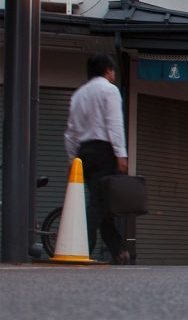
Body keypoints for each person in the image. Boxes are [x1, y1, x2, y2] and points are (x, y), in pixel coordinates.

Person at [64, 53, 129, 264]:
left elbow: (71, 132)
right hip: (103, 151)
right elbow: (114, 124)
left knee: (102, 202)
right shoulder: (109, 90)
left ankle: (119, 250)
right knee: (99, 203)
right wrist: (121, 154)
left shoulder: (78, 95)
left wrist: (73, 159)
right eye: (113, 71)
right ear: (108, 70)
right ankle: (82, 247)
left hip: (84, 153)